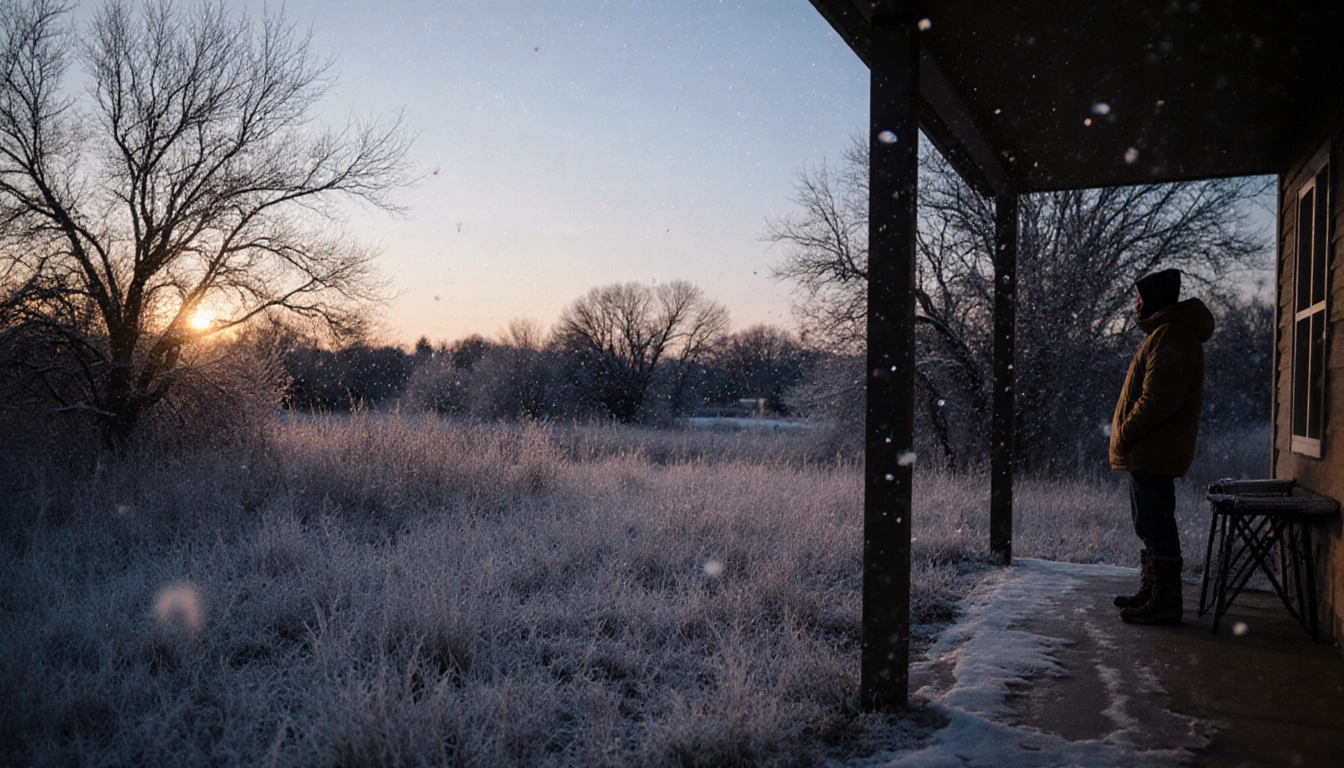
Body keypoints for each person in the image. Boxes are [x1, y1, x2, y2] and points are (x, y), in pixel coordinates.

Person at [1109, 268, 1215, 625]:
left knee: (1156, 525)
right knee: (1150, 523)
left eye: (1140, 298)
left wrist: (1125, 431)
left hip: (1152, 449)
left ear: (1153, 300)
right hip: (1149, 450)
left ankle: (1166, 602)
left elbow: (1158, 400)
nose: (1136, 305)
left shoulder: (1172, 335)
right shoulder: (1165, 333)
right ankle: (1154, 590)